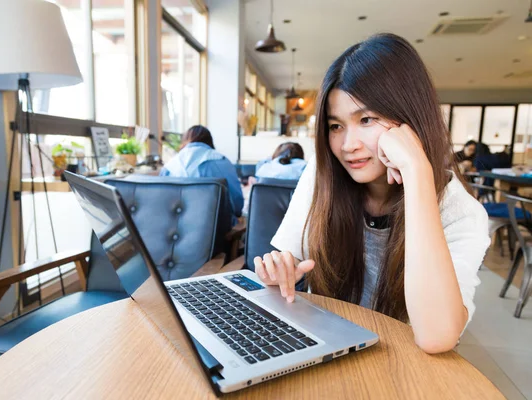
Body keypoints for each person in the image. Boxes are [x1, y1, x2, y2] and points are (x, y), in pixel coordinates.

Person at [253, 33, 490, 354]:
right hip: (325, 352)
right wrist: (278, 273)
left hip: (402, 366)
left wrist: (417, 171)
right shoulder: (322, 177)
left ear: (411, 118)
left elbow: (437, 336)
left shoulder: (461, 212)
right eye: (336, 126)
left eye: (366, 119)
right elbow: (289, 260)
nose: (348, 145)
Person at [160, 125, 243, 219]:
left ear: (185, 140)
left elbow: (161, 205)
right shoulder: (221, 160)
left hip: (173, 228)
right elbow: (237, 206)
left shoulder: (169, 166)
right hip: (216, 228)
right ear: (209, 141)